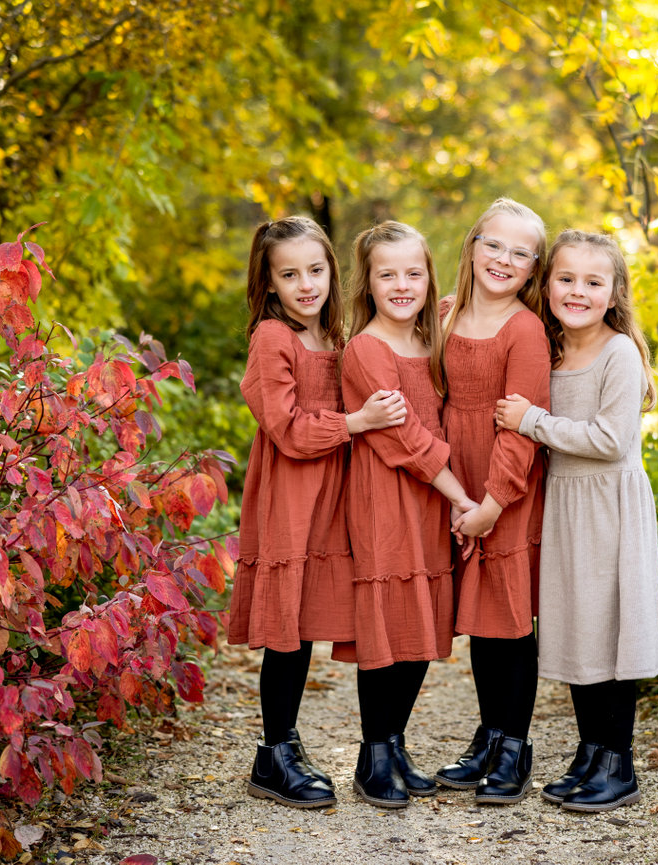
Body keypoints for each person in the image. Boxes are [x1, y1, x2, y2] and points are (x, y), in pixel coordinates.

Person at [230, 216, 409, 809]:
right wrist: (357, 423)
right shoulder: (272, 339)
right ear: (270, 282)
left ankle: (377, 747)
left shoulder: (336, 335)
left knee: (315, 615)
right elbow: (284, 429)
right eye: (290, 274)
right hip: (292, 496)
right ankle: (275, 752)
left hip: (338, 496)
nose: (306, 284)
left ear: (333, 269)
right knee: (290, 631)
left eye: (315, 269)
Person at [494, 229, 658, 812]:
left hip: (609, 509)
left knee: (611, 629)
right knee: (579, 628)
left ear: (615, 293)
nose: (577, 291)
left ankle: (619, 761)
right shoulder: (552, 347)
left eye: (593, 282)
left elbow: (611, 441)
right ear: (547, 285)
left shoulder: (618, 353)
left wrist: (531, 421)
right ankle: (590, 753)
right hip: (568, 505)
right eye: (566, 279)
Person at [339, 221, 479, 808]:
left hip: (429, 497)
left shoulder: (432, 339)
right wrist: (461, 497)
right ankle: (372, 757)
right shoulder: (366, 348)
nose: (402, 284)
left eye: (413, 273)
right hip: (387, 498)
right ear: (367, 284)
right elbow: (407, 438)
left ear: (429, 277)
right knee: (389, 625)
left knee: (424, 621)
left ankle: (395, 744)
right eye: (387, 274)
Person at [434, 198, 551, 804]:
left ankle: (515, 747)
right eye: (494, 245)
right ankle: (487, 734)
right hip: (455, 478)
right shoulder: (447, 314)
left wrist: (494, 502)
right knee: (480, 617)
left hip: (504, 488)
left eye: (520, 252)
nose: (503, 259)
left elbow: (521, 430)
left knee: (507, 620)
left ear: (533, 268)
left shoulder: (525, 331)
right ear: (473, 244)